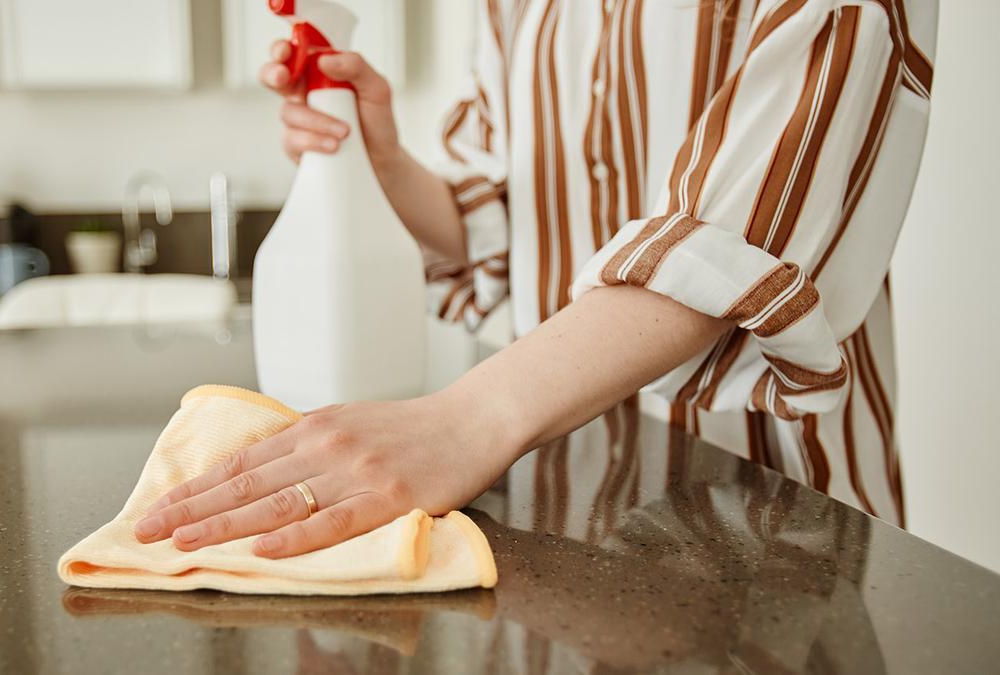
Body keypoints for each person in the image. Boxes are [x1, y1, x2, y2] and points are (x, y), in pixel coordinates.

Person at [134, 0, 937, 558]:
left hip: (772, 506)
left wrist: (462, 421)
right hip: (558, 499)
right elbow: (508, 230)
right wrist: (385, 161)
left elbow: (737, 239)